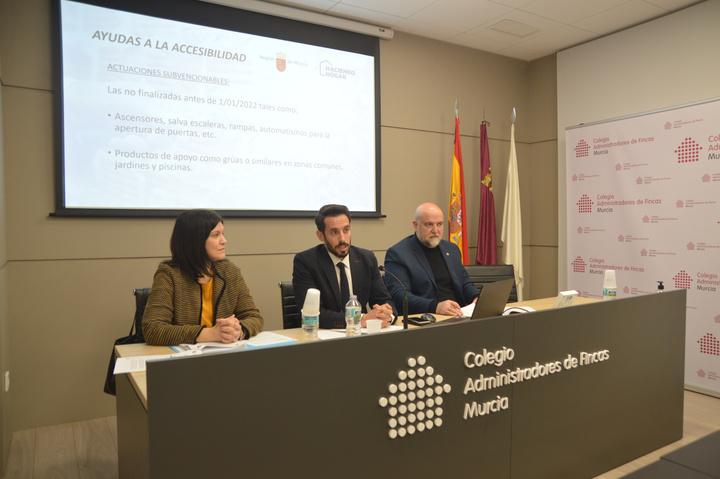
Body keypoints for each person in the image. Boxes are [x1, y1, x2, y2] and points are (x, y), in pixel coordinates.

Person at [142, 209, 263, 346]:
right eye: (216, 235)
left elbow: (254, 317)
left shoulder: (230, 272)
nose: (224, 241)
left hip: (224, 355)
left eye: (222, 234)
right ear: (195, 241)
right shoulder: (169, 275)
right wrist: (211, 334)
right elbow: (152, 329)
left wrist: (238, 331)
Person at [293, 204, 396, 329]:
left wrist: (388, 316)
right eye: (334, 232)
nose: (342, 239)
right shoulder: (306, 262)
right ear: (320, 235)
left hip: (361, 338)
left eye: (346, 230)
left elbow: (385, 300)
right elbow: (313, 314)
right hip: (323, 339)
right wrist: (359, 320)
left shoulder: (366, 258)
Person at [384, 202, 479, 316]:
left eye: (439, 224)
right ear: (415, 225)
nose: (435, 230)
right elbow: (400, 296)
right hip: (425, 319)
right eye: (429, 224)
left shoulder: (451, 249)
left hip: (459, 315)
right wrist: (435, 306)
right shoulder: (398, 254)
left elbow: (464, 282)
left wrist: (476, 297)